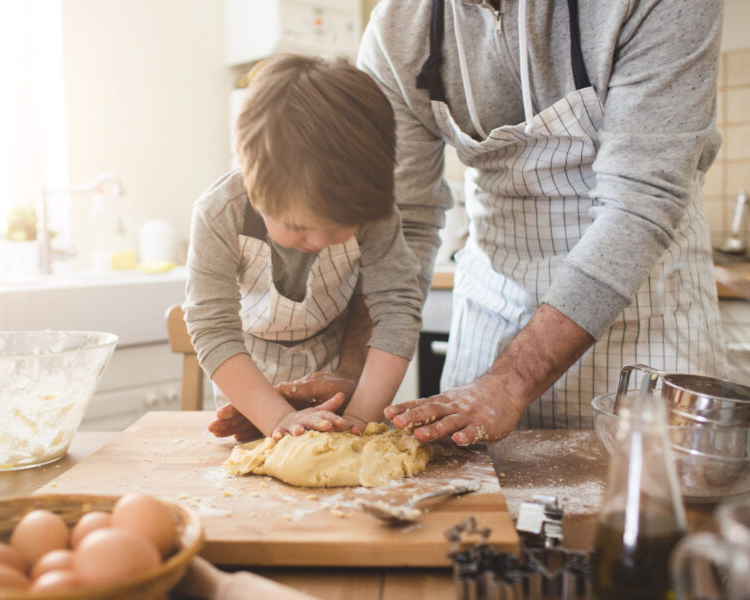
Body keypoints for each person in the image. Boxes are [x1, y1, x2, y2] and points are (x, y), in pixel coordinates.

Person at [241, 0, 726, 447]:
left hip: (645, 318)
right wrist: (354, 374)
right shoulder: (400, 25)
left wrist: (510, 383)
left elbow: (639, 205)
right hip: (492, 314)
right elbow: (399, 226)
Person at [184, 54, 422, 440]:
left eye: (338, 227)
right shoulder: (219, 214)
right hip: (250, 375)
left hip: (340, 374)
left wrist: (360, 417)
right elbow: (213, 329)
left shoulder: (373, 211)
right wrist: (275, 418)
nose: (316, 241)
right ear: (256, 192)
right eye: (297, 226)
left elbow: (397, 310)